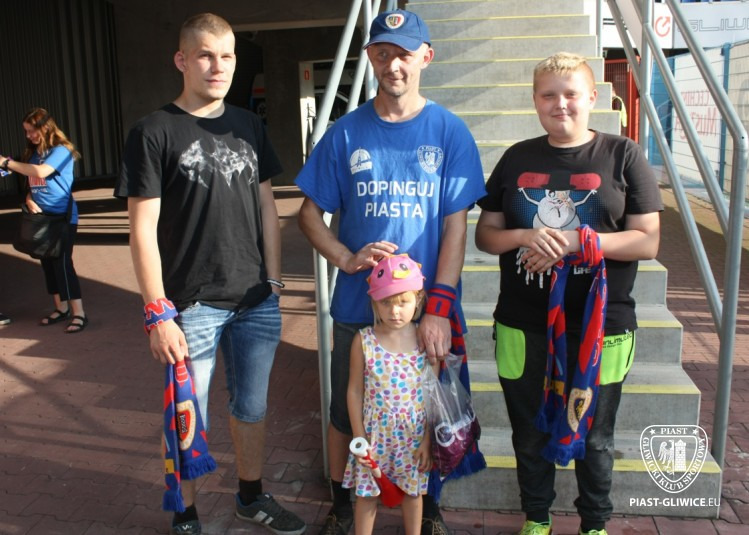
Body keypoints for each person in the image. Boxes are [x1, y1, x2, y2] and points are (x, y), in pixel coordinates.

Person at [295, 9, 486, 535]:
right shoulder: (345, 133)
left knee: (430, 412)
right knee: (346, 411)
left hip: (422, 311)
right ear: (370, 58)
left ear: (426, 57)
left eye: (403, 53)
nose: (393, 64)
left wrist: (439, 306)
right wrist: (344, 258)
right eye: (382, 53)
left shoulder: (449, 131)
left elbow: (455, 227)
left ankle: (430, 509)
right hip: (359, 309)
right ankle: (344, 505)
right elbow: (308, 214)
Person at [114, 13, 306, 535]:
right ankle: (186, 515)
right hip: (190, 307)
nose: (217, 66)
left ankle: (250, 497)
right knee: (186, 413)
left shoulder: (248, 125)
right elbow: (141, 230)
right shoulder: (153, 131)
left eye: (226, 56)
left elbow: (266, 205)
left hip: (255, 301)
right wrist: (158, 313)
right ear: (182, 60)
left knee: (252, 408)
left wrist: (273, 283)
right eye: (205, 55)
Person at [475, 52, 663, 535]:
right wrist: (526, 236)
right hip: (523, 323)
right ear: (535, 100)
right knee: (528, 433)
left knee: (595, 438)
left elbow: (647, 241)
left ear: (592, 97)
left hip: (602, 327)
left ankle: (593, 524)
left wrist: (576, 241)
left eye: (571, 94)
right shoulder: (517, 157)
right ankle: (537, 519)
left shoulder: (623, 155)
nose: (560, 104)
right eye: (548, 95)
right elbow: (486, 236)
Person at [344, 254, 438, 535]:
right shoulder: (364, 340)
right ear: (375, 303)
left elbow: (433, 394)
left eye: (402, 302)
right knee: (367, 494)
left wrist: (427, 439)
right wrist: (359, 436)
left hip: (413, 436)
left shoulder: (425, 339)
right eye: (386, 302)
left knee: (412, 493)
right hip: (374, 436)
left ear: (417, 300)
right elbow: (354, 390)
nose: (394, 311)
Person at [0, 108, 88, 333]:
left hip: (63, 218)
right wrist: (29, 198)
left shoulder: (62, 150)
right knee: (47, 263)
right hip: (41, 218)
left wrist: (6, 163)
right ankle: (61, 308)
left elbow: (41, 172)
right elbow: (33, 182)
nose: (28, 135)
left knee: (62, 263)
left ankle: (79, 313)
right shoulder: (34, 153)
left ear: (45, 127)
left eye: (32, 131)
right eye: (26, 131)